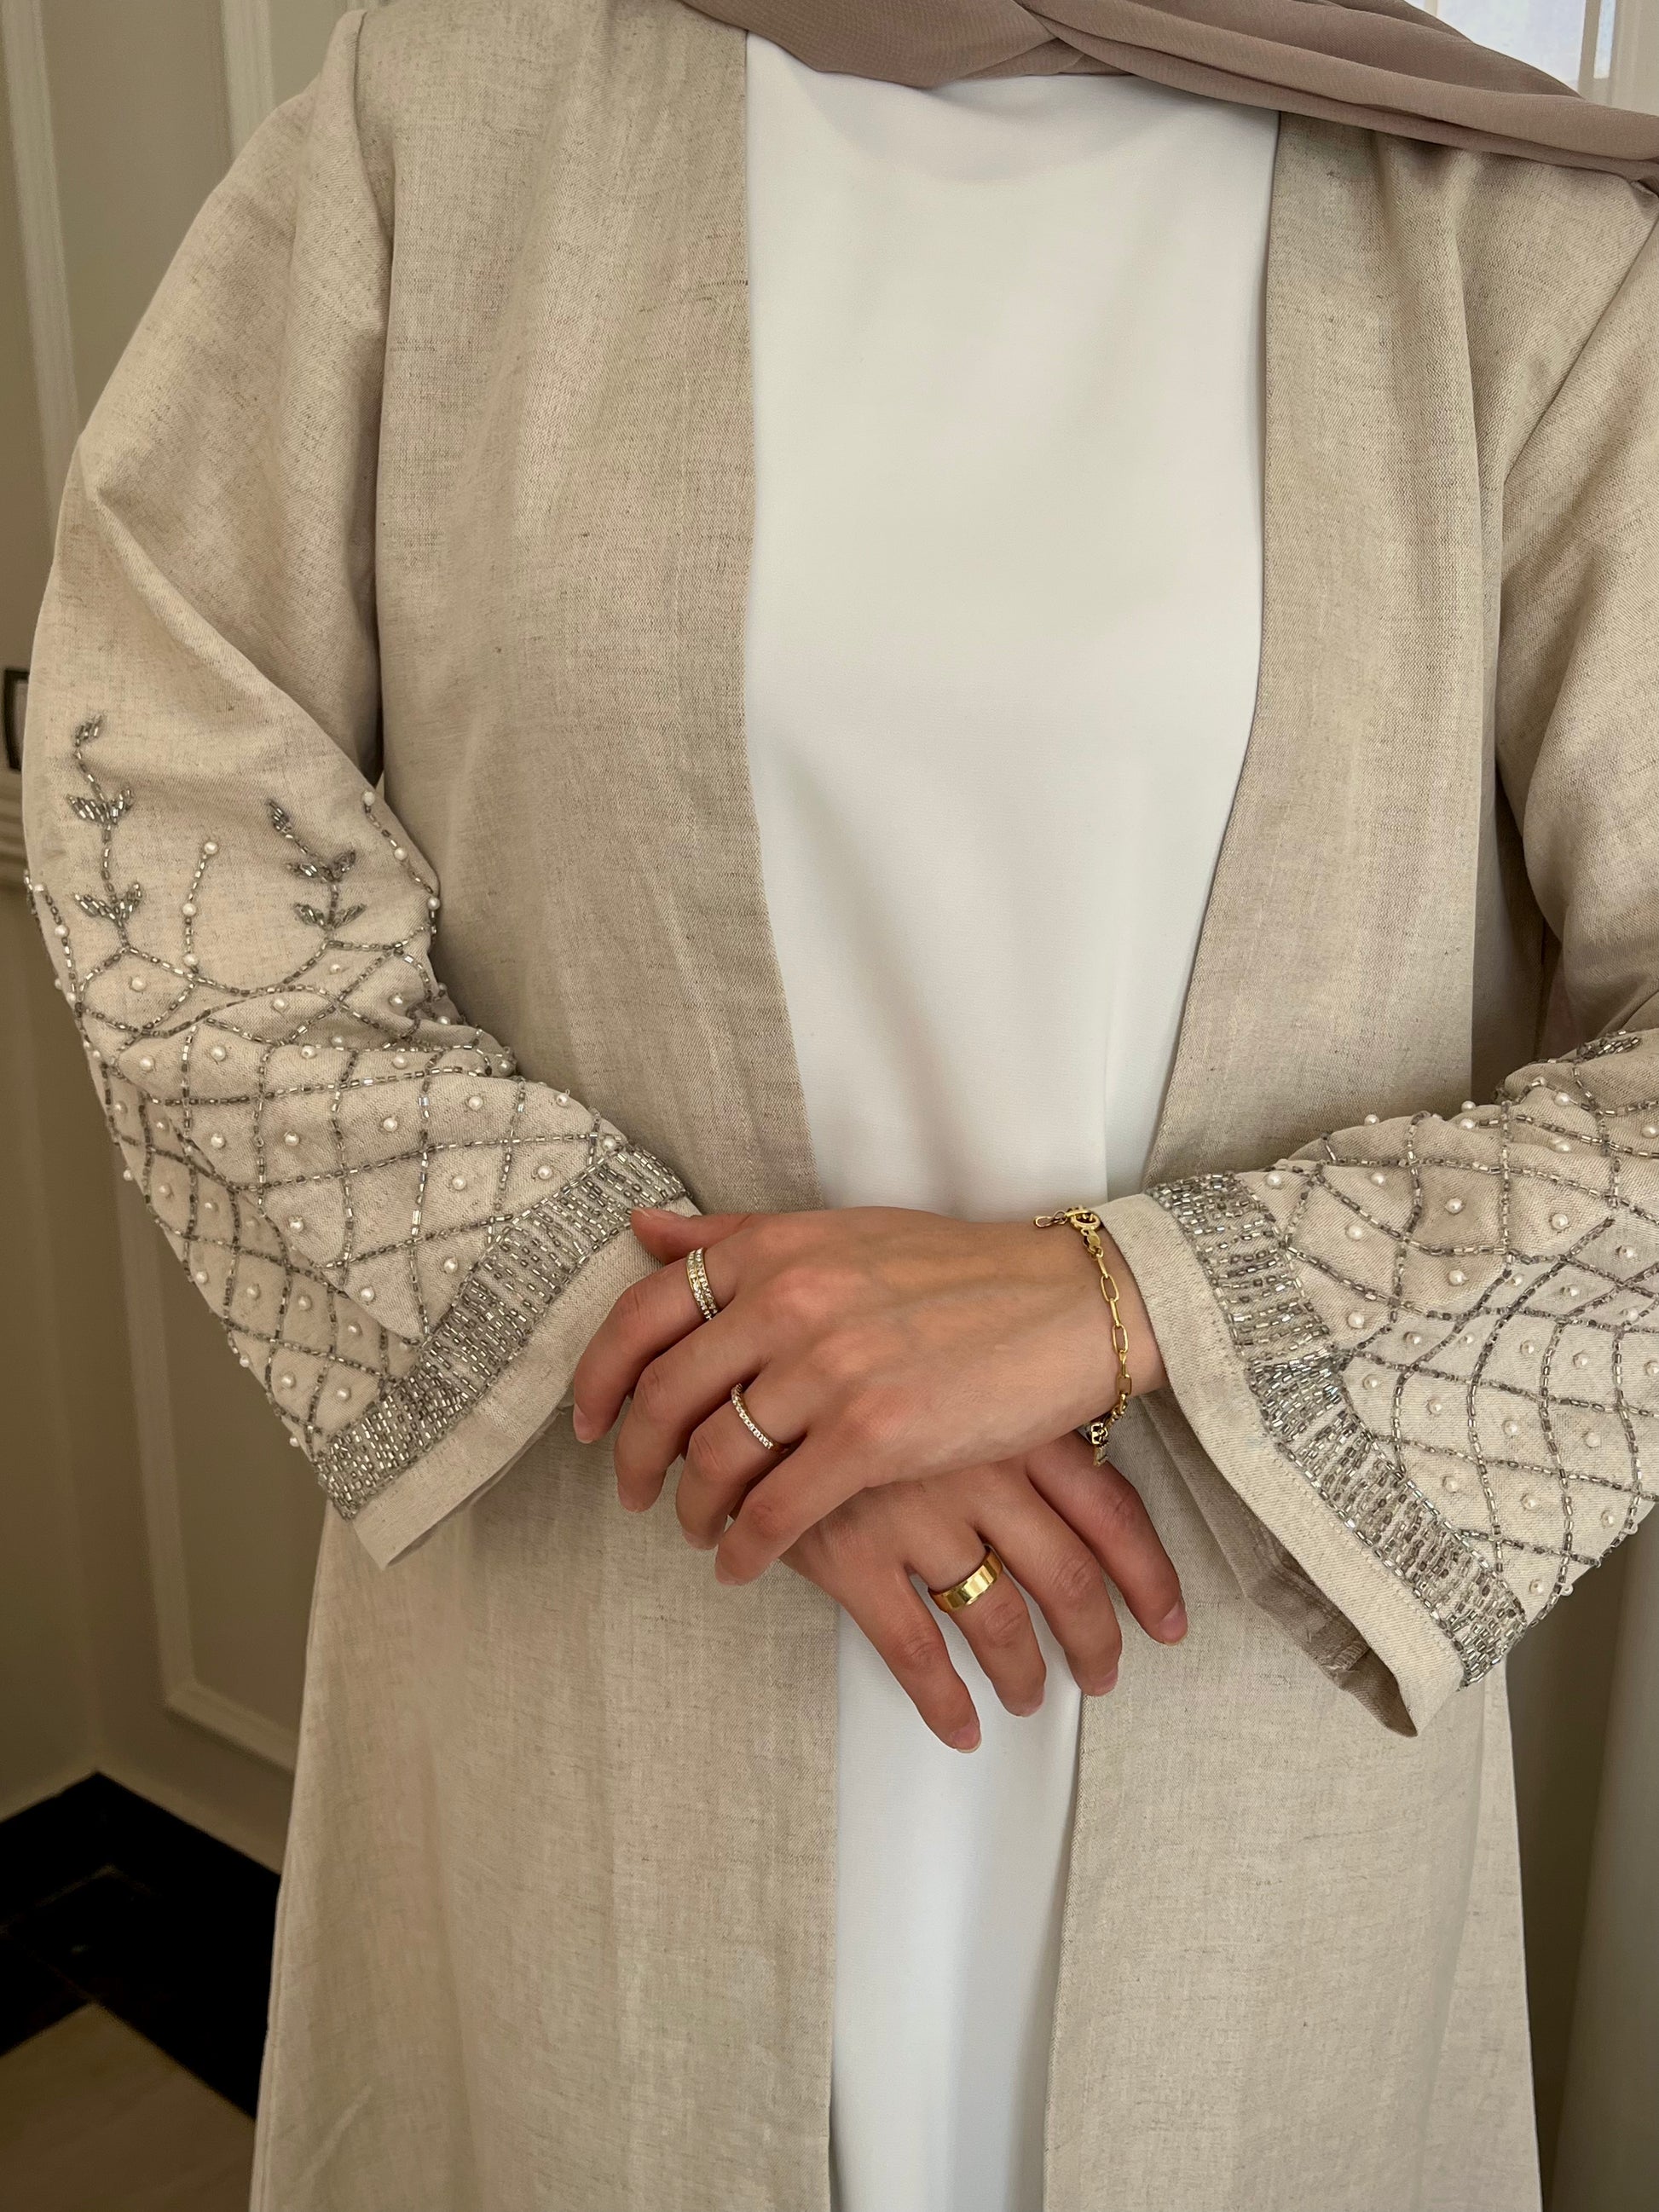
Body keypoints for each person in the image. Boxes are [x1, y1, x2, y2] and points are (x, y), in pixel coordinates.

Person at [19, 3, 1659, 2207]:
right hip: (606, 1620)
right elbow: (160, 792)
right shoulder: (447, 114)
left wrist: (1118, 1301)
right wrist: (701, 1357)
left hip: (1213, 1681)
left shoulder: (1502, 235)